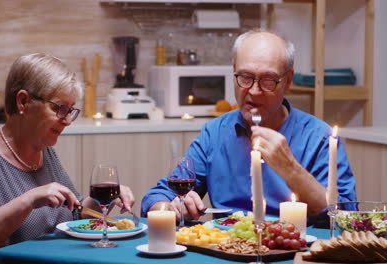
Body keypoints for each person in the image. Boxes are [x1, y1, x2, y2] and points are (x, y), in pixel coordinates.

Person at [141, 29, 357, 225]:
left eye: (268, 80)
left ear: (288, 81)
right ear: (233, 72)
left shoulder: (318, 137)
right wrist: (169, 208)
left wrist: (290, 168)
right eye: (244, 77)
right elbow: (158, 196)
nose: (253, 91)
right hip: (226, 251)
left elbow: (346, 216)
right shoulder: (215, 133)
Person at [0, 53, 135, 264]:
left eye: (70, 110)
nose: (68, 120)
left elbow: (72, 214)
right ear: (23, 101)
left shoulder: (44, 151)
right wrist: (28, 200)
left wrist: (103, 200)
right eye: (59, 108)